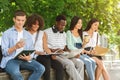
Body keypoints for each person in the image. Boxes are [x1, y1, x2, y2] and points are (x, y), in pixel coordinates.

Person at [0, 10, 45, 80]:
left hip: (24, 60)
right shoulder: (7, 33)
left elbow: (31, 50)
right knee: (16, 74)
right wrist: (15, 47)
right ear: (14, 19)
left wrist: (29, 57)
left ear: (25, 20)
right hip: (11, 60)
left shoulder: (28, 34)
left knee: (41, 68)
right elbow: (4, 53)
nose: (20, 22)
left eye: (22, 20)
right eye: (18, 20)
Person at [44, 14, 84, 80]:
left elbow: (65, 47)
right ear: (56, 22)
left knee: (80, 63)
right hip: (54, 55)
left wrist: (73, 53)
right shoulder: (46, 32)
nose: (63, 27)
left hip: (64, 54)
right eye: (61, 25)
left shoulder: (64, 34)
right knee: (70, 64)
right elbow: (44, 46)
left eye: (64, 25)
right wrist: (53, 50)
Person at [25, 14, 64, 80]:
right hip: (34, 56)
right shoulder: (24, 33)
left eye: (38, 24)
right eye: (34, 24)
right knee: (46, 62)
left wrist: (51, 54)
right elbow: (25, 49)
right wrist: (37, 52)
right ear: (30, 23)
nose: (36, 26)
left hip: (44, 55)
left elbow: (45, 47)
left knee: (59, 66)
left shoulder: (42, 33)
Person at [66, 16, 96, 80]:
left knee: (93, 62)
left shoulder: (80, 33)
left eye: (81, 23)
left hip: (80, 52)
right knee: (88, 62)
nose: (80, 25)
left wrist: (85, 43)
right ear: (74, 23)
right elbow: (70, 46)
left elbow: (82, 47)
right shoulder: (69, 32)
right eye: (78, 23)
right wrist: (78, 50)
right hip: (74, 53)